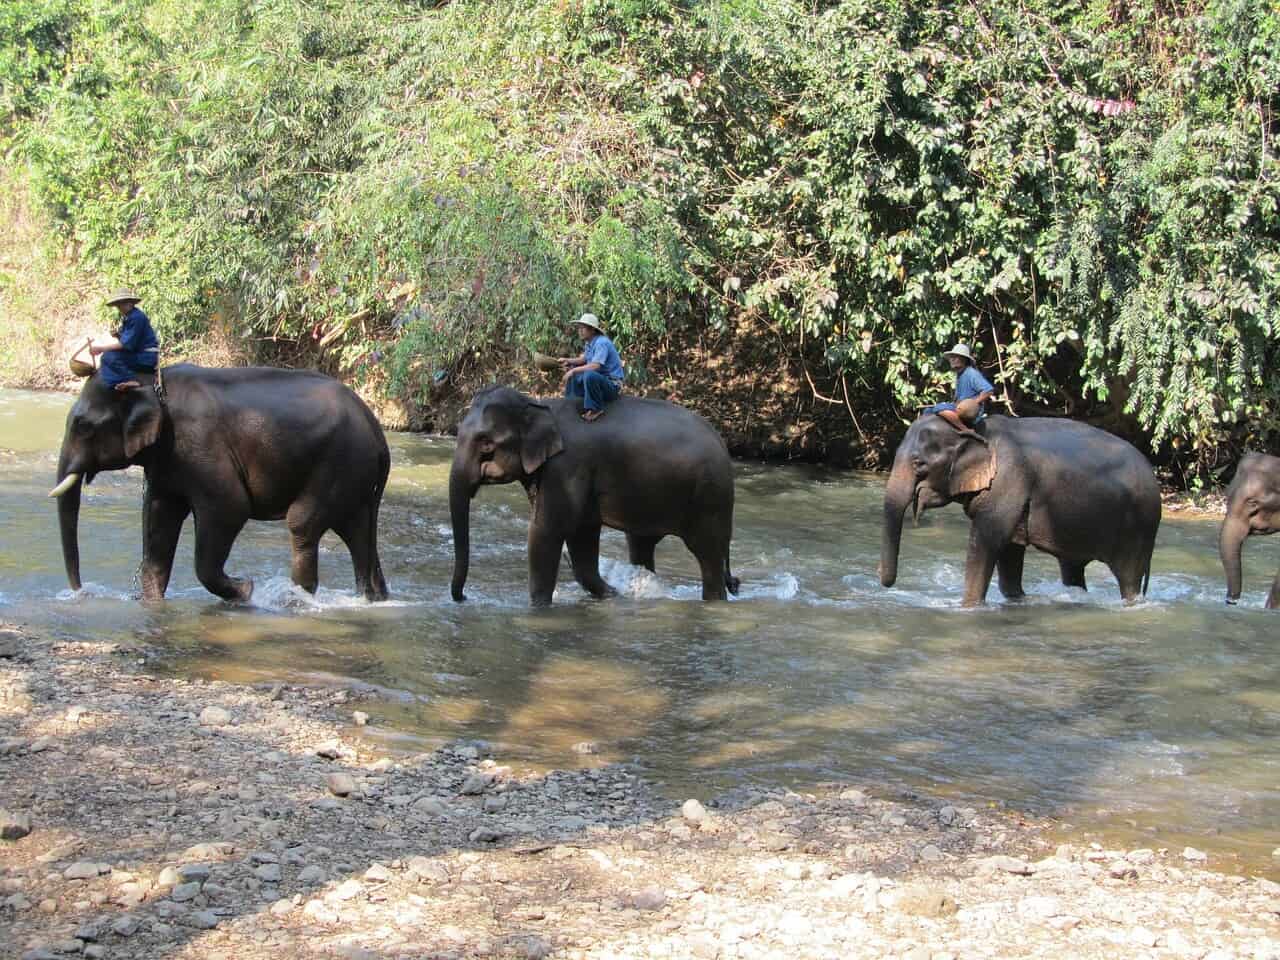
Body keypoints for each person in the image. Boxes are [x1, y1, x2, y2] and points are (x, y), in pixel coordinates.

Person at [559, 313, 625, 422]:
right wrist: (567, 361)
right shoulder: (589, 342)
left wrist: (574, 371)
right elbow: (584, 359)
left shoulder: (601, 343)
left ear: (592, 330)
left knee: (589, 375)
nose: (580, 331)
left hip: (611, 384)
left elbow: (595, 366)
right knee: (574, 372)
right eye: (579, 328)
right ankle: (571, 403)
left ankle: (596, 409)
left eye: (583, 328)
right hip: (600, 381)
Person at [91, 289, 159, 392]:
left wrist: (101, 348)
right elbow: (131, 341)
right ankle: (116, 384)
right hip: (139, 353)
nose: (120, 307)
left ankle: (130, 380)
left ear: (130, 303)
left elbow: (126, 344)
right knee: (108, 357)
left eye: (123, 303)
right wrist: (118, 335)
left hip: (146, 356)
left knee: (108, 357)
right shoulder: (129, 317)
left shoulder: (136, 317)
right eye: (118, 305)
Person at [922, 342, 994, 438]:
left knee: (940, 409)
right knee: (928, 411)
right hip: (957, 407)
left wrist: (973, 403)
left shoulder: (971, 373)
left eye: (955, 357)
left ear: (964, 359)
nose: (952, 360)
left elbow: (989, 390)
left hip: (969, 411)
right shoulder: (959, 375)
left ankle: (965, 429)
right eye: (951, 357)